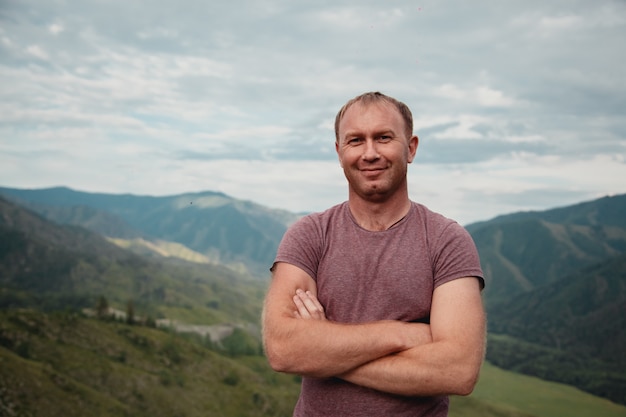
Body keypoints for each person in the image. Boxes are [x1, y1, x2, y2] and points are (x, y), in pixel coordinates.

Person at [262, 91, 486, 416]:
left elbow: (458, 371)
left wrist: (325, 353)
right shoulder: (308, 235)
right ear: (339, 153)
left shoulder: (447, 241)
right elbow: (283, 350)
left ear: (410, 148)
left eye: (383, 138)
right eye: (355, 140)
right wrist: (402, 333)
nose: (370, 153)